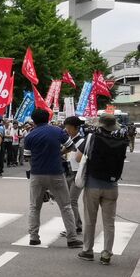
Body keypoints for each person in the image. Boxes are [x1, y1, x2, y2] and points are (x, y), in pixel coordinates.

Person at [23, 109, 82, 248]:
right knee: (66, 206)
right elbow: (71, 147)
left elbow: (27, 157)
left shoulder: (30, 135)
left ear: (33, 120)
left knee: (34, 207)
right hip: (56, 173)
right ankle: (72, 238)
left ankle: (34, 237)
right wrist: (59, 153)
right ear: (48, 118)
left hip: (37, 174)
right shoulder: (58, 131)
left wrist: (36, 165)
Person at [77, 113, 129, 265]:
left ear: (100, 124)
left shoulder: (91, 138)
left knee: (90, 220)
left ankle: (87, 251)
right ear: (113, 126)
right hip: (112, 186)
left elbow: (78, 158)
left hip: (93, 184)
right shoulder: (121, 140)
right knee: (109, 222)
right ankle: (106, 254)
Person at [61, 116, 86, 235]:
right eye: (66, 128)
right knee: (70, 201)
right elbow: (62, 152)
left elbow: (79, 158)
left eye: (69, 128)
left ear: (76, 128)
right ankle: (77, 225)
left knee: (72, 201)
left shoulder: (82, 141)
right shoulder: (69, 140)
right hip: (69, 172)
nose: (67, 130)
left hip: (78, 173)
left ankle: (74, 227)